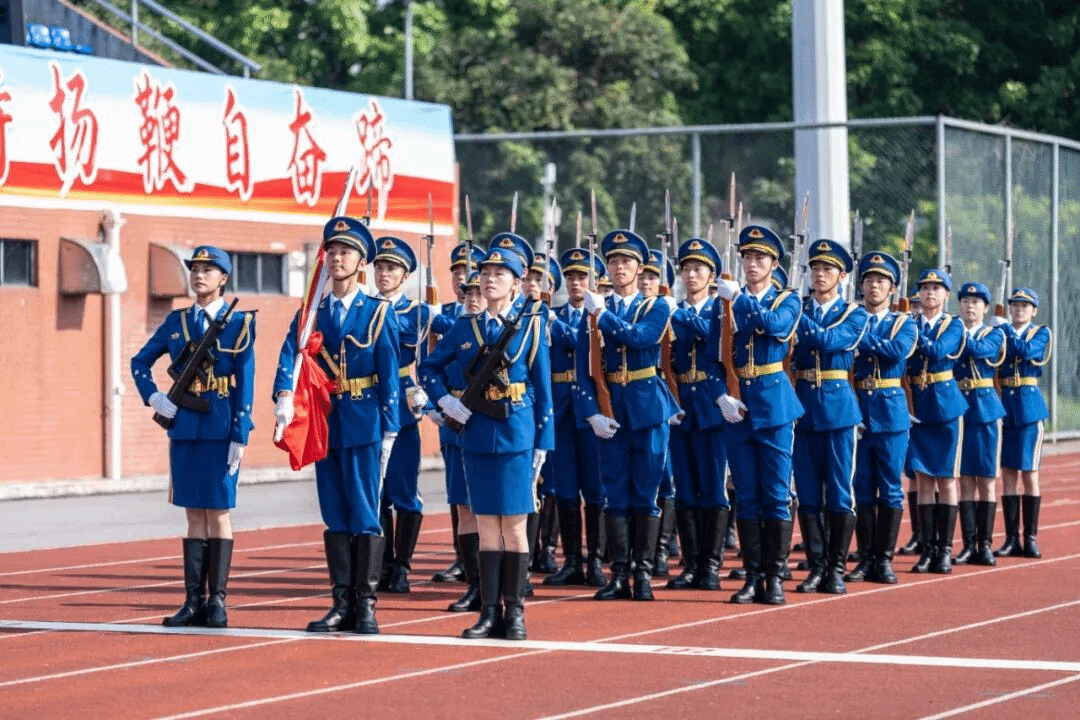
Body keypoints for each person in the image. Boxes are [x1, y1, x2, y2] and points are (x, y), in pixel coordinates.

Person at [418, 246, 553, 641]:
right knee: (486, 526)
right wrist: (445, 401)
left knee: (514, 526)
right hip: (476, 433)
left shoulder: (530, 326)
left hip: (515, 434)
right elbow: (428, 368)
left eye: (500, 273)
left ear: (517, 282)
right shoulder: (466, 327)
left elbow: (543, 388)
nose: (490, 279)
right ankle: (489, 612)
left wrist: (543, 442)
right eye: (486, 273)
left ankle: (516, 614)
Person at [273, 216, 400, 634]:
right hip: (325, 422)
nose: (337, 259)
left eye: (346, 252)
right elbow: (290, 354)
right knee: (334, 512)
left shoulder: (377, 313)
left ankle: (366, 606)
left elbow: (389, 373)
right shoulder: (313, 313)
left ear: (361, 262)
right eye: (332, 252)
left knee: (364, 512)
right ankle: (340, 602)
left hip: (364, 421)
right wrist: (284, 396)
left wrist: (390, 428)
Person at [131, 245, 255, 629]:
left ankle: (217, 601)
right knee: (193, 514)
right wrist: (153, 396)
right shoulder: (177, 321)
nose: (199, 275)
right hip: (185, 425)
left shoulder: (239, 324)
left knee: (217, 511)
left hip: (220, 426)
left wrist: (240, 434)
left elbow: (246, 381)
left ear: (224, 278)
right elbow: (140, 362)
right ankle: (192, 601)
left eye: (208, 269)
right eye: (195, 269)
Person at [575, 230, 680, 602]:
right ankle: (619, 574)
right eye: (613, 261)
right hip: (611, 410)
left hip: (648, 408)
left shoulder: (657, 307)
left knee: (646, 494)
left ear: (639, 268)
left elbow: (640, 338)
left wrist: (602, 315)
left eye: (626, 262)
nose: (619, 267)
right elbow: (583, 367)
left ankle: (644, 574)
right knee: (615, 493)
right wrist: (591, 412)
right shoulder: (592, 311)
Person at [710, 225, 803, 606]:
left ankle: (774, 577)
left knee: (776, 495)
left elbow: (776, 327)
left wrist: (738, 300)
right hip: (738, 407)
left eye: (760, 258)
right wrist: (721, 395)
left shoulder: (788, 299)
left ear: (774, 264)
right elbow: (714, 357)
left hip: (774, 405)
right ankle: (752, 577)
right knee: (746, 495)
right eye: (747, 257)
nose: (752, 264)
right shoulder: (724, 303)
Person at [791, 240, 868, 594]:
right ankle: (817, 566)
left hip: (838, 410)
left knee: (838, 491)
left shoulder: (854, 314)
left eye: (827, 269)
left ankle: (836, 568)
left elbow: (828, 341)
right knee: (807, 492)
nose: (819, 275)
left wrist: (794, 315)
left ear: (842, 276)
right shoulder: (799, 308)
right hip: (803, 406)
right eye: (815, 269)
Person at [370, 236, 437, 594]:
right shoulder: (365, 307)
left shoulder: (417, 312)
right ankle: (381, 565)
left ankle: (402, 566)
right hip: (369, 402)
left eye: (391, 268)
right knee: (376, 491)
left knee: (404, 490)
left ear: (404, 275)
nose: (383, 273)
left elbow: (443, 347)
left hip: (401, 405)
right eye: (379, 267)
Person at [846, 252, 916, 585]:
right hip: (858, 406)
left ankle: (884, 559)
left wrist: (860, 338)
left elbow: (896, 352)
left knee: (889, 488)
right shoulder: (851, 317)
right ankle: (865, 557)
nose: (874, 286)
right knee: (861, 487)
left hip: (890, 412)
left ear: (892, 288)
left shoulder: (904, 323)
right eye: (869, 280)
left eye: (881, 281)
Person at [666, 238, 730, 591]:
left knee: (713, 487)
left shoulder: (719, 311)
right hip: (682, 406)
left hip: (712, 407)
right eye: (687, 269)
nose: (691, 275)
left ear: (712, 276)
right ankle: (691, 564)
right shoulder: (671, 311)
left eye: (698, 269)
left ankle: (711, 566)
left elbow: (715, 340)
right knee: (686, 488)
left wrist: (684, 318)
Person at [543, 248, 609, 588]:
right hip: (560, 409)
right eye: (570, 277)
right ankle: (571, 560)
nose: (575, 283)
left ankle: (595, 560)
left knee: (595, 487)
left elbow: (582, 347)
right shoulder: (551, 314)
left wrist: (556, 327)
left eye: (582, 277)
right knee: (564, 486)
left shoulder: (598, 316)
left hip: (590, 409)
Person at [430, 242, 486, 584]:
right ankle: (463, 559)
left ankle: (497, 566)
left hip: (484, 409)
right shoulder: (444, 312)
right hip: (451, 410)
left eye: (470, 271)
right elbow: (428, 361)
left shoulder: (462, 317)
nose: (463, 278)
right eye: (458, 272)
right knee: (458, 493)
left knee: (488, 495)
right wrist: (434, 403)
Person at [906, 268, 967, 574]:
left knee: (946, 479)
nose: (930, 292)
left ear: (946, 295)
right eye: (925, 287)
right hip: (917, 404)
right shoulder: (910, 322)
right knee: (923, 480)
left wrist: (910, 335)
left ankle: (944, 549)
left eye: (936, 288)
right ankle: (928, 548)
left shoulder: (953, 324)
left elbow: (940, 350)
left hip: (944, 406)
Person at [952, 282, 1006, 566]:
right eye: (965, 301)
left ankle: (985, 544)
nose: (970, 306)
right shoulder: (953, 331)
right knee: (964, 481)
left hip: (984, 409)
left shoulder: (994, 333)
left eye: (976, 302)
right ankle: (968, 543)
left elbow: (981, 351)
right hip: (960, 407)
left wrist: (956, 334)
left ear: (985, 308)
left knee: (986, 480)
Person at [996, 287, 1052, 559]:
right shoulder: (1001, 331)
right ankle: (1011, 538)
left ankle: (1030, 537)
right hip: (1006, 406)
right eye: (1015, 305)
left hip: (1029, 409)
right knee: (1008, 474)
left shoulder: (1040, 333)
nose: (1018, 310)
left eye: (1024, 306)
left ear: (1034, 311)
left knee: (1029, 474)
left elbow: (1028, 351)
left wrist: (1004, 332)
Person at [639, 248, 680, 576]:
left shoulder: (667, 311)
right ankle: (644, 552)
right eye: (643, 277)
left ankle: (663, 547)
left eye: (653, 277)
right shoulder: (634, 311)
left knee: (664, 475)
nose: (646, 282)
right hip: (644, 400)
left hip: (667, 399)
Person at [526, 252, 563, 575]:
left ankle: (548, 547)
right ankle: (528, 548)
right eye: (528, 279)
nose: (532, 285)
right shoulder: (516, 316)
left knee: (550, 480)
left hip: (557, 405)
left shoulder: (556, 317)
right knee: (529, 482)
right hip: (526, 403)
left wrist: (553, 322)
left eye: (539, 280)